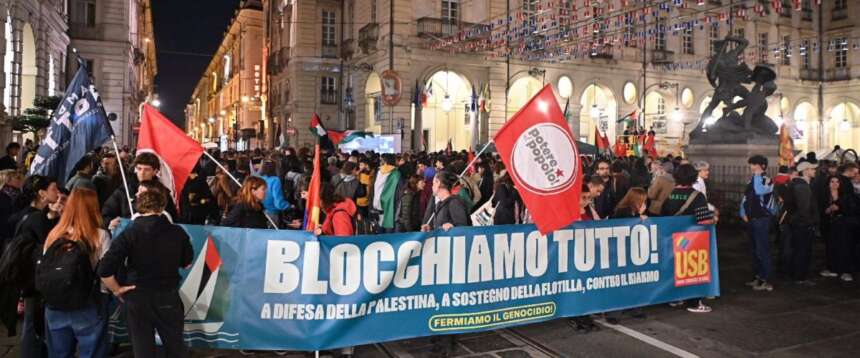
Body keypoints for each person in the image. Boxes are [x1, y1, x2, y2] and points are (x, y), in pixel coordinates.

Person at [98, 190, 193, 358]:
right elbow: (186, 263)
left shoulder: (129, 234)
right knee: (176, 348)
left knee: (143, 351)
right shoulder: (177, 232)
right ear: (163, 207)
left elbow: (104, 269)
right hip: (167, 296)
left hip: (137, 297)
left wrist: (117, 289)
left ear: (138, 207)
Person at [40, 188, 110, 358]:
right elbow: (105, 274)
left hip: (55, 303)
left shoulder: (54, 234)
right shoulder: (100, 236)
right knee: (92, 352)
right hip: (87, 303)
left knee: (59, 354)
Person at [8, 175, 63, 358]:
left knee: (35, 324)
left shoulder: (34, 215)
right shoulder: (33, 219)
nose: (58, 193)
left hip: (33, 280)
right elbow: (47, 246)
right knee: (32, 325)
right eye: (54, 189)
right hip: (33, 281)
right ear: (42, 194)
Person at [661, 164, 715, 313]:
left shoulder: (670, 194)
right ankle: (694, 302)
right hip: (692, 240)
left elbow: (663, 215)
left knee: (674, 268)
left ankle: (674, 298)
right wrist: (713, 218)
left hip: (672, 237)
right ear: (693, 177)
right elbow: (703, 220)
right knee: (692, 271)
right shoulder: (697, 196)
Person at [102, 152, 178, 227]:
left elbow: (173, 219)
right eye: (139, 168)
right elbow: (106, 212)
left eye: (147, 169)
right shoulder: (125, 190)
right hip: (129, 234)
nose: (142, 173)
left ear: (155, 171)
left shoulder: (163, 193)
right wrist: (110, 221)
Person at [739, 155, 776, 291]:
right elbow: (745, 197)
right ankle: (757, 277)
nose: (752, 167)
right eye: (752, 165)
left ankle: (766, 280)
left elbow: (760, 191)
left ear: (763, 166)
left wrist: (757, 176)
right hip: (751, 219)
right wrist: (742, 213)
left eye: (755, 165)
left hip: (762, 220)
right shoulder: (752, 180)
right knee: (754, 250)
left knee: (763, 250)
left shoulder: (768, 180)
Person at [784, 161, 819, 285]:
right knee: (802, 251)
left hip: (798, 223)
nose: (815, 171)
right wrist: (810, 223)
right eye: (812, 169)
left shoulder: (798, 184)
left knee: (799, 250)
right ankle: (800, 277)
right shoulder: (802, 186)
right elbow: (803, 209)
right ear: (805, 171)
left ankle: (797, 275)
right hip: (802, 224)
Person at [820, 176, 855, 282]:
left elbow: (851, 209)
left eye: (837, 182)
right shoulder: (824, 195)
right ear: (828, 183)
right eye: (832, 181)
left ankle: (846, 271)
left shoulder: (845, 195)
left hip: (843, 225)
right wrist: (827, 210)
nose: (834, 184)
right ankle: (832, 269)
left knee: (844, 247)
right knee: (831, 247)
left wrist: (840, 208)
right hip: (829, 225)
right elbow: (820, 210)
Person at [373, 154, 402, 233]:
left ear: (385, 162)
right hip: (390, 209)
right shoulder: (396, 174)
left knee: (379, 235)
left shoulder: (378, 172)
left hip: (377, 207)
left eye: (381, 160)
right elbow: (399, 194)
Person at [259, 160, 291, 227]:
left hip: (260, 211)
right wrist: (288, 206)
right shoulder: (275, 180)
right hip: (272, 212)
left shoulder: (259, 178)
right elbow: (278, 202)